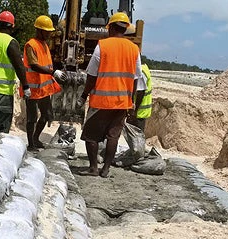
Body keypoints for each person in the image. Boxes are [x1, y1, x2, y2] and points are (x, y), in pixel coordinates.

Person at [76, 12, 145, 178]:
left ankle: (93, 168)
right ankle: (106, 169)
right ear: (126, 28)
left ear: (112, 27)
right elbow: (136, 78)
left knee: (91, 135)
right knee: (113, 136)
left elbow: (92, 75)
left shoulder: (103, 46)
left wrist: (84, 95)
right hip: (122, 103)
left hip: (102, 101)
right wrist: (132, 101)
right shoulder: (134, 49)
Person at [22, 15, 67, 151]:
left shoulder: (45, 45)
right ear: (39, 30)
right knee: (32, 118)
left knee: (47, 115)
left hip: (43, 88)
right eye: (47, 31)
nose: (49, 33)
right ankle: (31, 144)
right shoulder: (31, 45)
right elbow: (34, 65)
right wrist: (53, 72)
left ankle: (36, 138)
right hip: (32, 88)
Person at [127, 63, 152, 131]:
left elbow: (140, 92)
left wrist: (133, 112)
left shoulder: (140, 70)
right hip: (139, 113)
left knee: (135, 138)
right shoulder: (143, 68)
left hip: (137, 114)